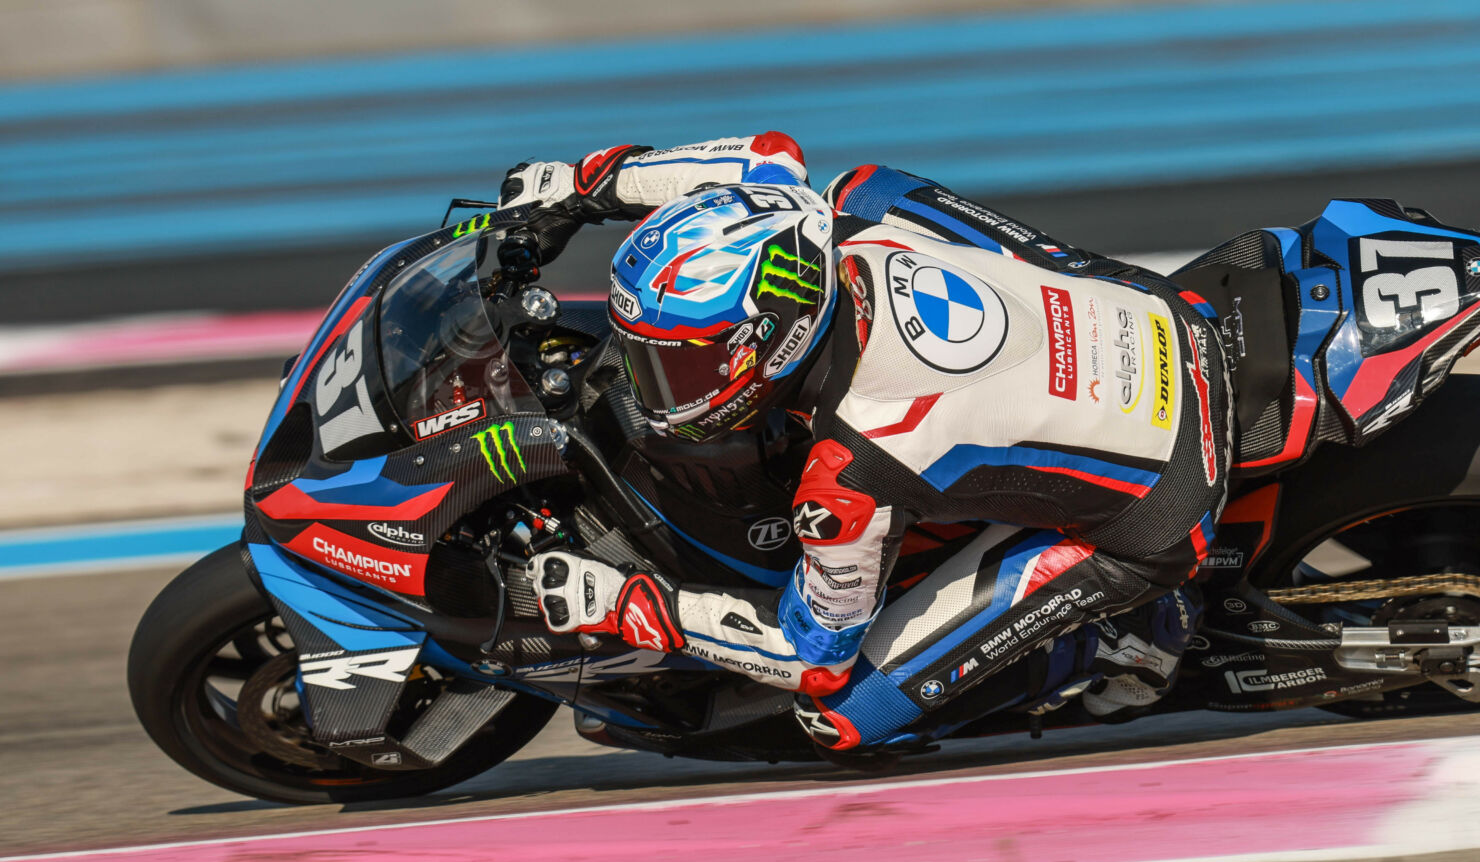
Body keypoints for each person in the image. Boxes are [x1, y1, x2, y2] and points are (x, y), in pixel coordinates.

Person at [498, 133, 1231, 759]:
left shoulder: (852, 464)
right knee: (871, 191)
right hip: (1161, 313)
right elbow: (762, 159)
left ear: (772, 333)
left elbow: (809, 655)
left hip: (1161, 503)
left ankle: (1122, 639)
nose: (652, 389)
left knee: (840, 715)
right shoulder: (821, 226)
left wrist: (632, 604)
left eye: (684, 363)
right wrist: (579, 186)